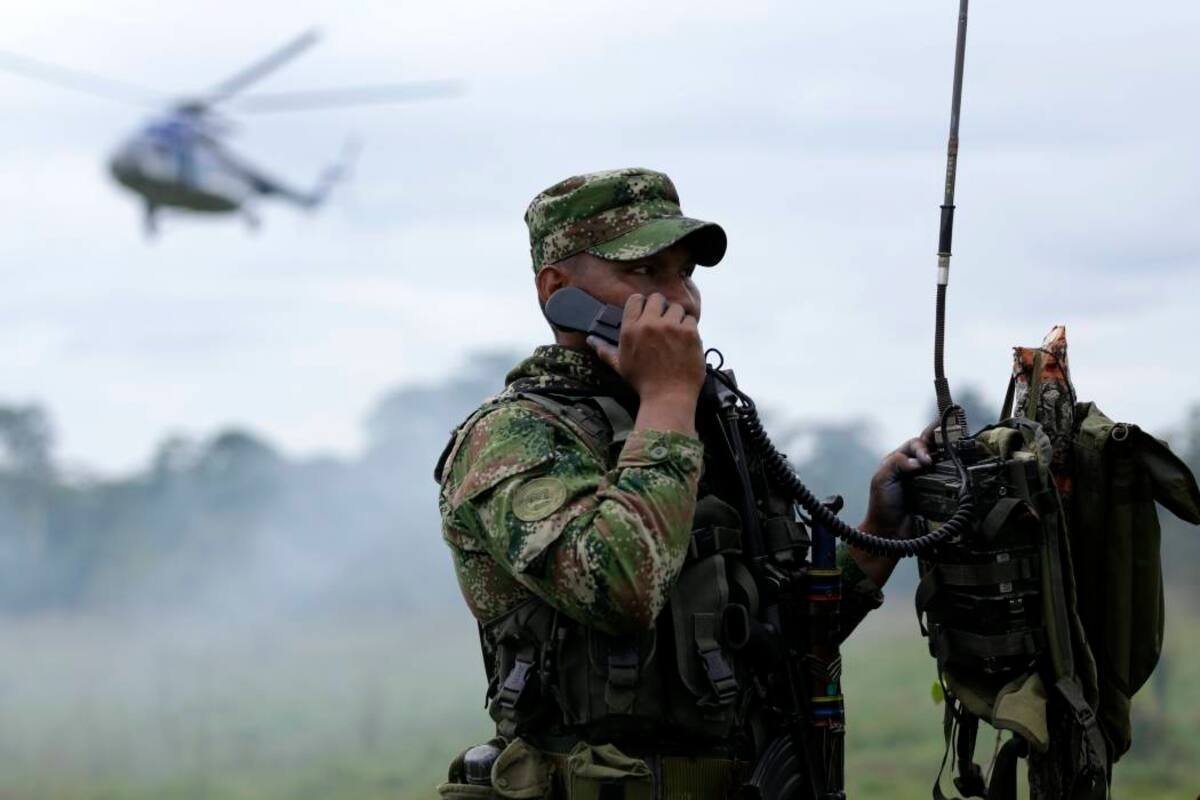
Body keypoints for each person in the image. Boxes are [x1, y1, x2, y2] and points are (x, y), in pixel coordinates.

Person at [434, 167, 933, 800]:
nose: (684, 299)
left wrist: (875, 536)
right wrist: (668, 394)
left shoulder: (706, 420)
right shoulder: (513, 436)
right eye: (645, 274)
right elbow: (621, 589)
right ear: (558, 290)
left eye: (686, 273)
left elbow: (771, 643)